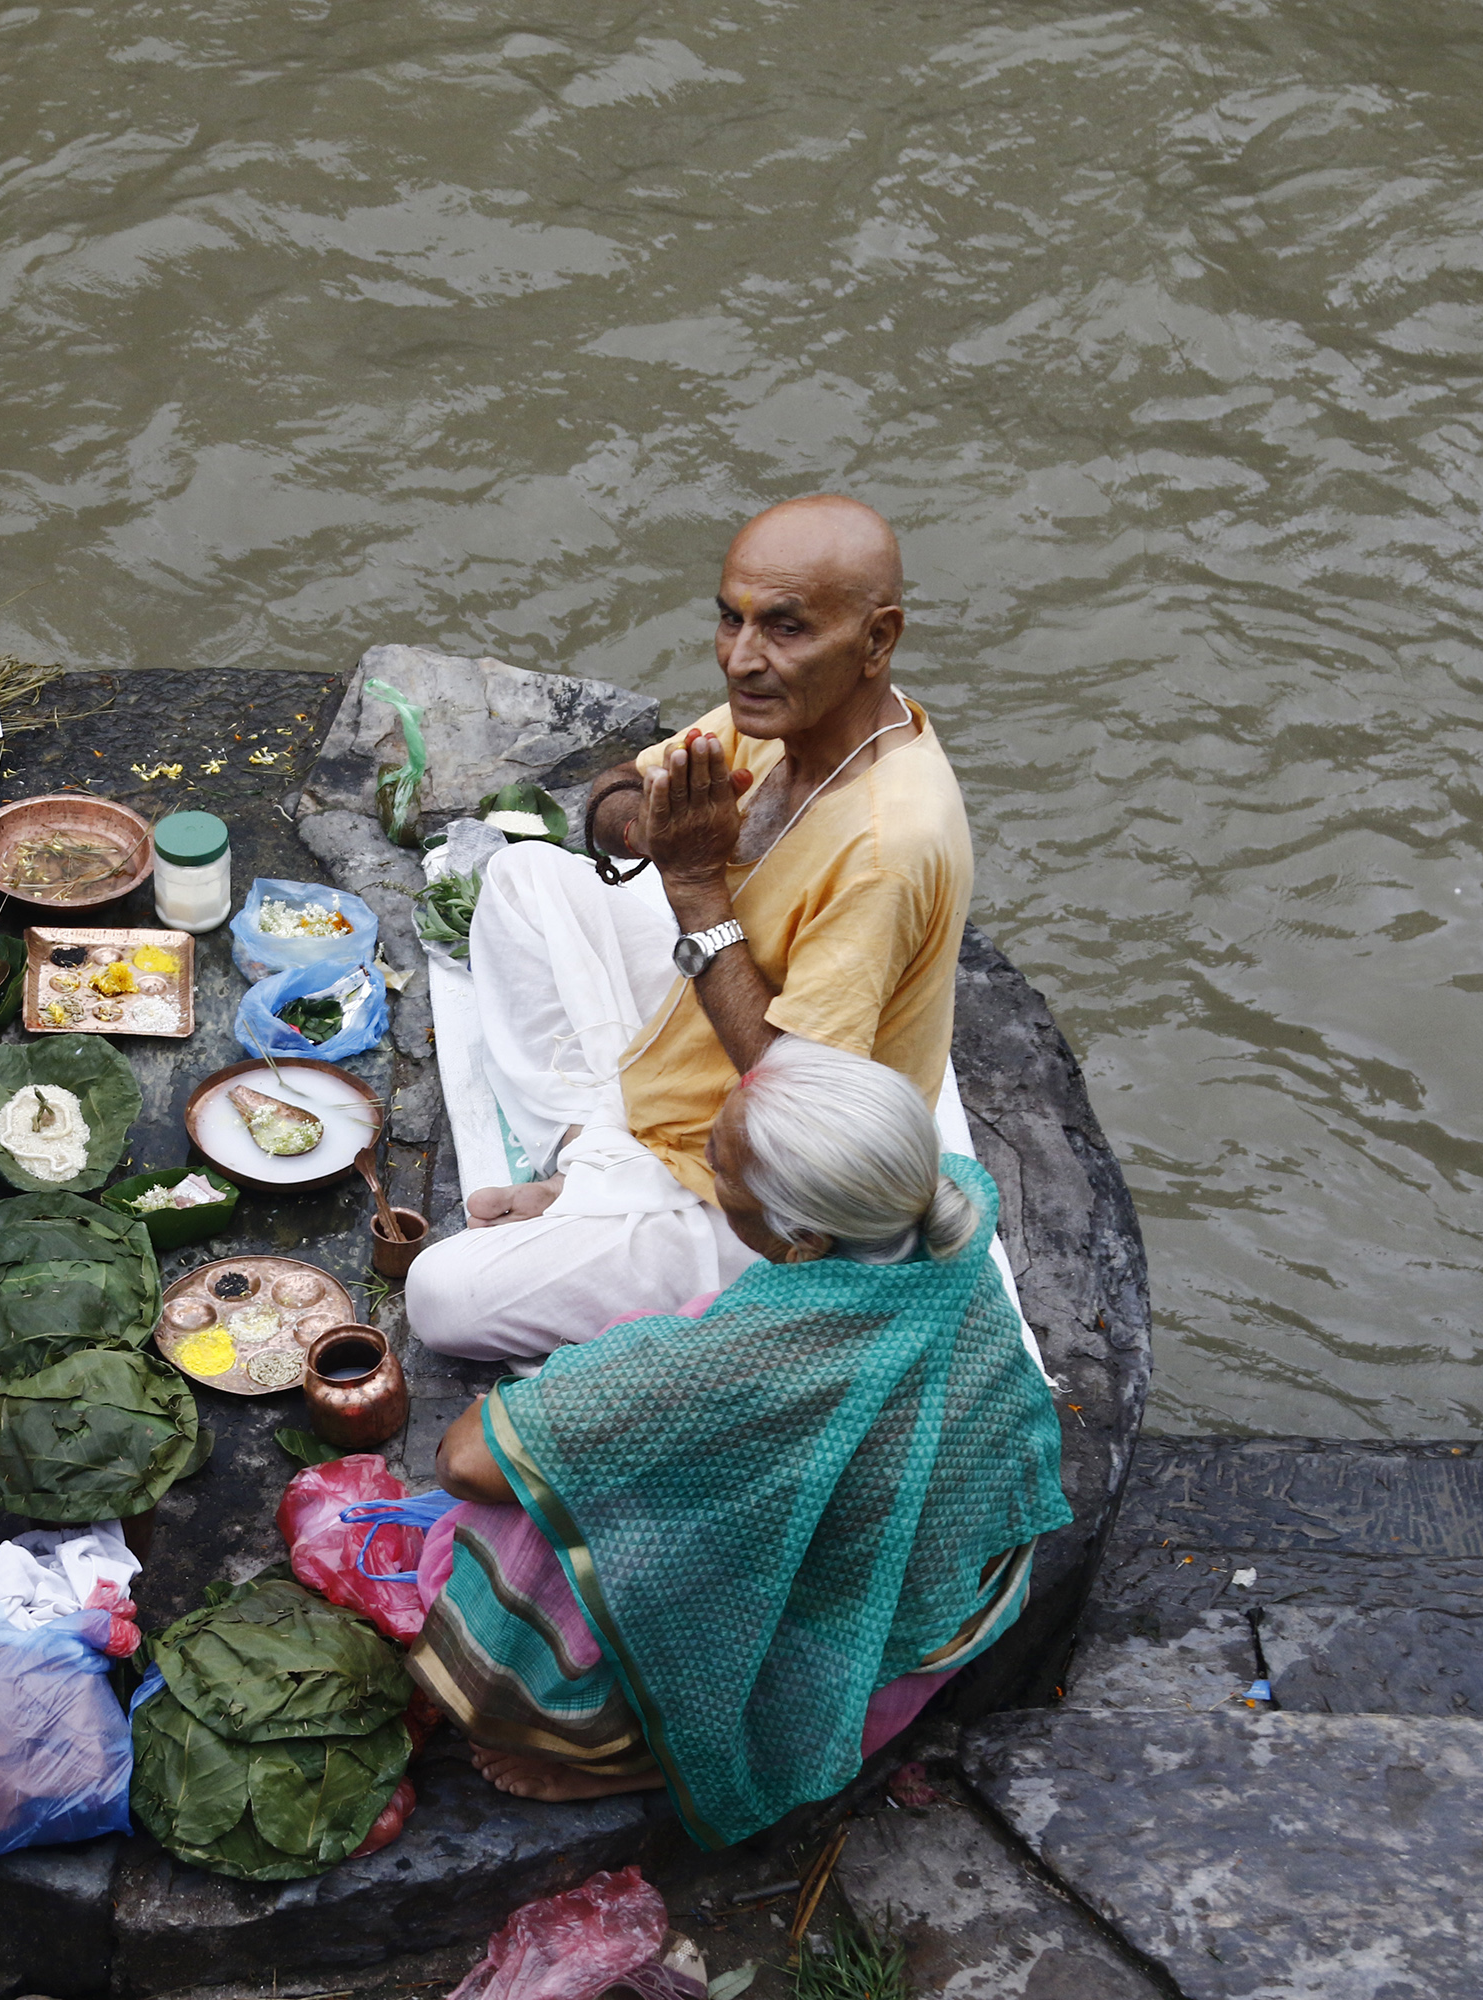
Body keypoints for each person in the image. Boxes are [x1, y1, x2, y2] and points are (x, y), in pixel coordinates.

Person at [403, 1038, 1071, 1848]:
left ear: (803, 1242)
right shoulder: (946, 1229)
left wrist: (585, 1392)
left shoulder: (739, 1363)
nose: (704, 1174)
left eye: (719, 1171)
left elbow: (466, 1461)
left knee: (538, 1503)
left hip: (827, 1662)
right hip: (956, 1607)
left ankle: (637, 1760)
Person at [404, 494, 975, 1363]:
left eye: (785, 628)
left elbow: (800, 1112)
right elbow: (614, 789)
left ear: (877, 640)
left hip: (769, 1190)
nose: (742, 659)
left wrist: (698, 886)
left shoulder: (886, 848)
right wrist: (648, 827)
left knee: (443, 1295)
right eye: (731, 618)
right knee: (522, 880)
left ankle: (609, 1189)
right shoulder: (791, 718)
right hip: (705, 1029)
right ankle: (592, 1159)